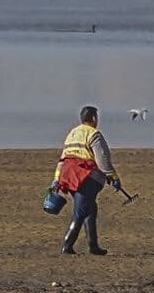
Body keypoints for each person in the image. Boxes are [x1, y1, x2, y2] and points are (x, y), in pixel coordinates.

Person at [51, 105, 122, 256]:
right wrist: (113, 176)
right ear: (94, 118)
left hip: (69, 176)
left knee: (90, 210)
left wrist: (57, 179)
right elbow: (102, 159)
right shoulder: (94, 134)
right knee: (81, 211)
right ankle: (67, 245)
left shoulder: (72, 133)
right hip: (86, 178)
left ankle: (93, 246)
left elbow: (63, 159)